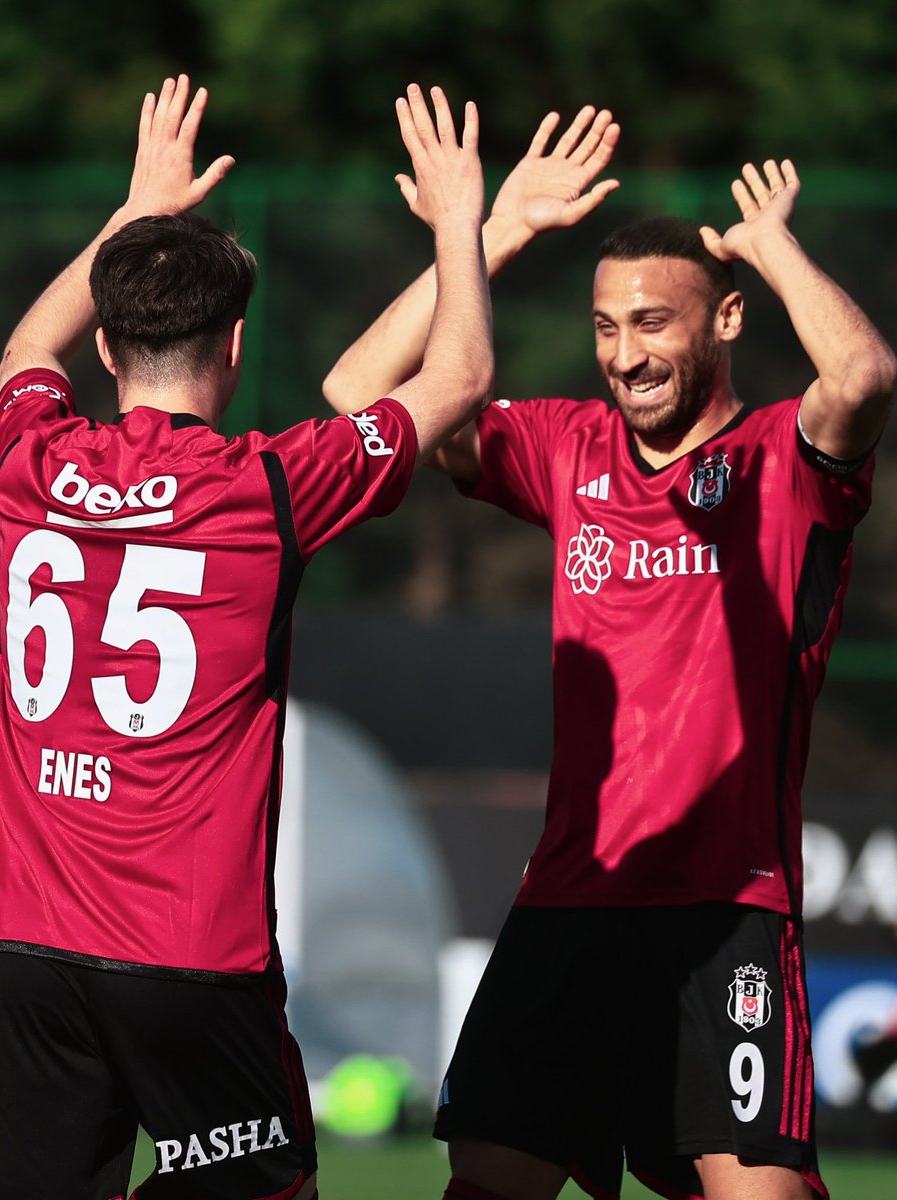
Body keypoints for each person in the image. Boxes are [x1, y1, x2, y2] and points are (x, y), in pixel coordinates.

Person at [322, 108, 896, 1200]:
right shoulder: (564, 447)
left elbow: (864, 375)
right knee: (486, 1181)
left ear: (725, 318)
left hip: (724, 907)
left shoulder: (786, 459)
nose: (625, 355)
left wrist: (771, 245)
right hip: (569, 905)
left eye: (652, 324)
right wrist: (486, 236)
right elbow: (358, 394)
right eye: (604, 327)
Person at [0, 75, 493, 1200]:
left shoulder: (29, 459)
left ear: (106, 347)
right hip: (190, 961)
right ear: (234, 347)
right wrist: (461, 225)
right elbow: (463, 379)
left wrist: (131, 217)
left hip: (22, 953)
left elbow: (18, 350)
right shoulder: (268, 487)